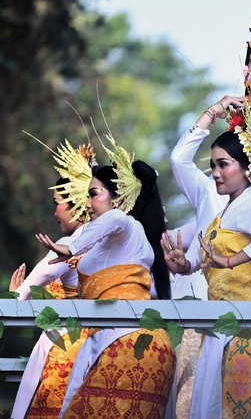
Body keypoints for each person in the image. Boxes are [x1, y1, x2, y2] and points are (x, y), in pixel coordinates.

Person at [166, 97, 251, 418]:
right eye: (214, 164)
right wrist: (212, 112)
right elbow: (178, 159)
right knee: (194, 407)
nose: (215, 171)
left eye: (224, 163)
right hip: (202, 314)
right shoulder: (215, 196)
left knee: (242, 408)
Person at [37, 136, 175, 418]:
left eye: (93, 193)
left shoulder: (124, 222)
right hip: (125, 340)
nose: (86, 202)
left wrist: (68, 247)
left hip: (128, 344)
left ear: (118, 198)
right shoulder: (115, 243)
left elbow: (113, 220)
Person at [11, 177, 89, 419]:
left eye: (57, 202)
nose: (55, 211)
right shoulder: (111, 240)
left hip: (69, 347)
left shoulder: (70, 243)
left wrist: (14, 296)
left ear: (76, 204)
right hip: (104, 343)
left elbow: (24, 292)